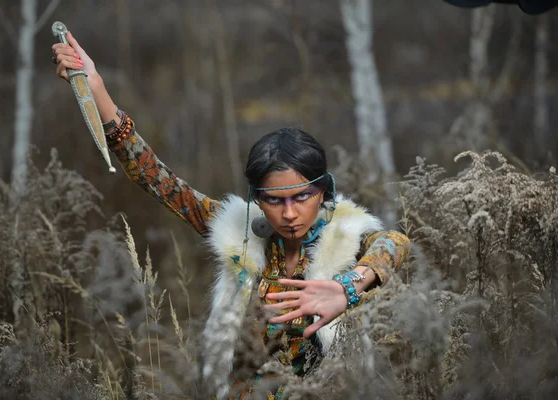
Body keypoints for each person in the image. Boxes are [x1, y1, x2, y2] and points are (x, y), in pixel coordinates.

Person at [52, 32, 410, 400]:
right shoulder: (242, 233)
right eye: (275, 200)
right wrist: (95, 88)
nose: (289, 213)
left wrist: (346, 288)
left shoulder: (345, 235)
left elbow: (394, 242)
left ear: (324, 191)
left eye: (303, 196)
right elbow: (159, 181)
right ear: (257, 199)